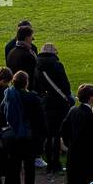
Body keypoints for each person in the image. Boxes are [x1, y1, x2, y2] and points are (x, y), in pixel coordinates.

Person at [0, 71, 45, 184]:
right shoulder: (32, 98)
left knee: (14, 167)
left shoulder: (8, 95)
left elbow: (1, 115)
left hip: (12, 136)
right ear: (26, 82)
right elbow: (40, 120)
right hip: (27, 137)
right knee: (29, 168)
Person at [34, 42, 73, 174]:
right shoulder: (57, 65)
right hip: (58, 102)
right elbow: (65, 85)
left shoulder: (37, 66)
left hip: (45, 101)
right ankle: (55, 163)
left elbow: (36, 85)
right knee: (57, 134)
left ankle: (49, 162)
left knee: (49, 133)